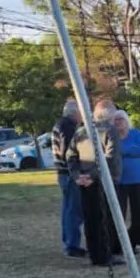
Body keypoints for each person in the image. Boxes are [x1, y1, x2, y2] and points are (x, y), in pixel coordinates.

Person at [67, 98, 124, 267]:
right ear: (110, 115)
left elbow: (70, 156)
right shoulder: (110, 130)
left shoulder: (81, 131)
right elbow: (110, 158)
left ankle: (95, 254)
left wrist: (78, 176)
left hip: (85, 182)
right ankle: (105, 255)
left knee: (91, 218)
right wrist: (91, 176)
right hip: (103, 181)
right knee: (105, 219)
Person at [113, 110, 140, 251]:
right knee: (121, 211)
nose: (118, 122)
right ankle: (122, 240)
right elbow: (114, 151)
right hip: (120, 180)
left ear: (126, 120)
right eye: (115, 120)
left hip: (137, 179)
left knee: (137, 212)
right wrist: (129, 150)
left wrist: (124, 150)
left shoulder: (134, 133)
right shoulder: (113, 136)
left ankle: (137, 238)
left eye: (121, 119)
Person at [53, 100, 85, 258]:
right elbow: (68, 150)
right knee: (74, 211)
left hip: (63, 173)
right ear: (75, 113)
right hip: (69, 173)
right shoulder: (68, 126)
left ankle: (69, 243)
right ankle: (72, 245)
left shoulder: (60, 124)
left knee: (68, 210)